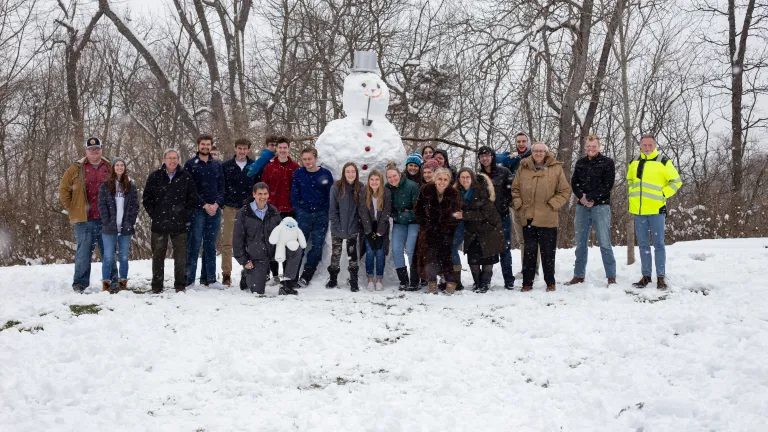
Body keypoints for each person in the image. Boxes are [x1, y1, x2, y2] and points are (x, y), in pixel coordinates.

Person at [58, 136, 117, 293]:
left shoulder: (109, 166)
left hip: (106, 220)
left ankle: (112, 283)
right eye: (91, 149)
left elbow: (120, 188)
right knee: (83, 255)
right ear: (86, 151)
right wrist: (73, 208)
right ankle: (80, 284)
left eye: (97, 148)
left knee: (109, 253)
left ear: (101, 149)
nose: (94, 151)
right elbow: (64, 189)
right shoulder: (76, 168)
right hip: (85, 220)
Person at [512, 143, 571, 292]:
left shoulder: (556, 168)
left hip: (548, 218)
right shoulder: (523, 167)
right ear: (532, 153)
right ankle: (527, 283)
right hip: (528, 217)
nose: (538, 153)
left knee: (548, 253)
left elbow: (564, 191)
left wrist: (553, 204)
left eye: (541, 151)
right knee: (529, 252)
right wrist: (519, 205)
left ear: (546, 152)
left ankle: (550, 282)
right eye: (535, 151)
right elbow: (515, 189)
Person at [627, 134, 682, 290]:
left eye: (650, 145)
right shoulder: (634, 163)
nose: (647, 148)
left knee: (659, 245)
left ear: (655, 145)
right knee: (643, 245)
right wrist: (632, 196)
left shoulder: (663, 162)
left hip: (657, 211)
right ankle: (645, 276)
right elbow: (630, 181)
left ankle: (660, 277)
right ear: (640, 146)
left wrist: (663, 194)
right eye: (644, 145)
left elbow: (676, 182)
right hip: (639, 212)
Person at [143, 149, 198, 293]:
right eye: (169, 158)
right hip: (159, 223)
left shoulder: (186, 177)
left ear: (178, 160)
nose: (172, 161)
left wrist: (184, 216)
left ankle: (180, 285)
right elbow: (147, 199)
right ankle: (157, 286)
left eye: (175, 158)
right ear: (164, 160)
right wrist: (155, 214)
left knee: (180, 257)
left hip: (180, 224)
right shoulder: (155, 176)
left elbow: (192, 200)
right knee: (158, 256)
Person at [221, 138, 274, 287]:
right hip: (230, 207)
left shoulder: (254, 166)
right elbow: (222, 185)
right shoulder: (226, 166)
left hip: (249, 209)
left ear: (249, 150)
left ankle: (249, 269)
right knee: (228, 242)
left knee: (252, 241)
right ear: (235, 149)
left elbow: (259, 185)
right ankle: (226, 274)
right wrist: (223, 204)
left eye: (245, 149)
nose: (242, 151)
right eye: (239, 148)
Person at [567, 135, 617, 286]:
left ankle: (611, 276)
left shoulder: (607, 162)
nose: (591, 149)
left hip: (601, 206)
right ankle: (579, 275)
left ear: (599, 146)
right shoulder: (580, 163)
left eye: (593, 146)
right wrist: (581, 197)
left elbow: (607, 185)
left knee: (604, 242)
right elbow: (574, 182)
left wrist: (590, 197)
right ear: (585, 147)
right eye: (588, 146)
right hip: (582, 207)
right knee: (580, 243)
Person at [233, 182, 300, 296]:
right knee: (258, 291)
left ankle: (287, 284)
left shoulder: (273, 210)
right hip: (256, 255)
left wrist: (289, 242)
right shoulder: (244, 213)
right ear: (254, 194)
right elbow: (237, 239)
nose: (262, 197)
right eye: (259, 194)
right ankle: (246, 274)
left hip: (272, 250)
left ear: (268, 195)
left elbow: (281, 232)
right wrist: (244, 260)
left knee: (295, 249)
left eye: (265, 194)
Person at [184, 134, 225, 288]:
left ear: (211, 146)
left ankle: (209, 279)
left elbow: (222, 187)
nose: (205, 147)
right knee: (194, 244)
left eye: (208, 144)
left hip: (215, 210)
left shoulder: (216, 165)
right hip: (197, 210)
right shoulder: (190, 165)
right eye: (203, 144)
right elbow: (189, 189)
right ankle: (189, 280)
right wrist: (204, 205)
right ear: (198, 145)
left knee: (210, 244)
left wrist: (216, 204)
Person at [454, 168, 505, 293]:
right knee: (473, 260)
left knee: (488, 259)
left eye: (468, 177)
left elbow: (485, 213)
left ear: (472, 178)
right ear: (459, 179)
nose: (465, 179)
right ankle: (477, 282)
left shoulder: (481, 191)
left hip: (489, 227)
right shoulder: (457, 194)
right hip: (472, 231)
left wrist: (465, 215)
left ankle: (485, 283)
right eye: (462, 177)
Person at [498, 132, 539, 278]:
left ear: (528, 143)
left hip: (532, 203)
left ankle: (533, 268)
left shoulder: (534, 156)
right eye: (518, 141)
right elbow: (495, 159)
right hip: (515, 203)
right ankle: (525, 268)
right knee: (522, 238)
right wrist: (508, 156)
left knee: (532, 238)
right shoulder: (514, 159)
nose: (521, 144)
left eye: (523, 141)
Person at [291, 147, 334, 285]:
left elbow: (330, 195)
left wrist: (326, 211)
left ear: (316, 158)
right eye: (304, 159)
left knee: (317, 247)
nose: (307, 162)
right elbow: (294, 193)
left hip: (321, 215)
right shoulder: (299, 173)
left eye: (309, 159)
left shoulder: (325, 174)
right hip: (303, 215)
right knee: (298, 246)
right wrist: (299, 210)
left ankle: (306, 276)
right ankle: (292, 276)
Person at [415, 167, 462, 294]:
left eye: (445, 179)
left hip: (446, 231)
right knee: (429, 257)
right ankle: (432, 284)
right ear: (435, 179)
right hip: (429, 230)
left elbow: (456, 214)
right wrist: (425, 224)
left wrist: (448, 227)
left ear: (449, 180)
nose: (442, 182)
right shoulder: (426, 190)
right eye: (440, 179)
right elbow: (418, 210)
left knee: (445, 257)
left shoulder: (454, 194)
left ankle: (451, 283)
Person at [260, 136, 299, 282]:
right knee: (272, 242)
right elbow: (263, 188)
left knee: (288, 242)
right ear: (276, 149)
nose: (282, 150)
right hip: (271, 210)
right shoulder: (269, 167)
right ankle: (275, 274)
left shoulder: (295, 167)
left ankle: (287, 275)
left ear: (289, 148)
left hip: (289, 210)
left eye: (285, 147)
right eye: (280, 147)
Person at [97, 157, 139, 293]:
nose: (120, 167)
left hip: (125, 227)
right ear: (113, 168)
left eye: (122, 165)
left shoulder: (130, 186)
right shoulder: (105, 186)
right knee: (108, 256)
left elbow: (134, 206)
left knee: (123, 257)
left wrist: (129, 222)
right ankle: (106, 285)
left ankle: (122, 283)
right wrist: (107, 221)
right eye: (117, 165)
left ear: (125, 168)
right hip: (109, 228)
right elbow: (101, 205)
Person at [477, 146, 516, 289]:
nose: (484, 158)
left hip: (503, 216)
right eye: (481, 156)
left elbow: (512, 192)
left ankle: (509, 280)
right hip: (486, 218)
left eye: (487, 155)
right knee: (487, 249)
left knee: (505, 249)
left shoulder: (504, 172)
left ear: (492, 157)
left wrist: (505, 206)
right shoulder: (479, 176)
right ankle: (485, 280)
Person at [327, 162, 362, 291]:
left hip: (353, 227)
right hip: (337, 227)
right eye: (348, 171)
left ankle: (354, 280)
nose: (350, 174)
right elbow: (332, 210)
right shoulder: (336, 187)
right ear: (343, 172)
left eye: (353, 171)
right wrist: (337, 226)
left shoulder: (360, 187)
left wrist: (356, 225)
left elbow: (361, 209)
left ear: (356, 173)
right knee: (336, 253)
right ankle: (333, 278)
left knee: (352, 254)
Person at [385, 165, 421, 290]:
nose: (392, 179)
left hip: (414, 222)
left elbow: (418, 209)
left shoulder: (412, 186)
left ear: (400, 174)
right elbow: (388, 209)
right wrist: (399, 216)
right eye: (389, 177)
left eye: (394, 175)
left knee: (411, 249)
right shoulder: (387, 188)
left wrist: (404, 215)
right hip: (399, 223)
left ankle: (415, 281)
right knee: (396, 249)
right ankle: (403, 280)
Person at [359, 169, 392, 291]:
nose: (374, 182)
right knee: (370, 252)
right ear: (368, 181)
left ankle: (379, 279)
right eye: (372, 179)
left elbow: (386, 212)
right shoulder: (363, 192)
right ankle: (370, 280)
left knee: (380, 253)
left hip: (381, 227)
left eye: (377, 179)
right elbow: (362, 212)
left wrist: (379, 233)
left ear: (381, 181)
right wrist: (368, 232)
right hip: (368, 227)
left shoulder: (386, 192)